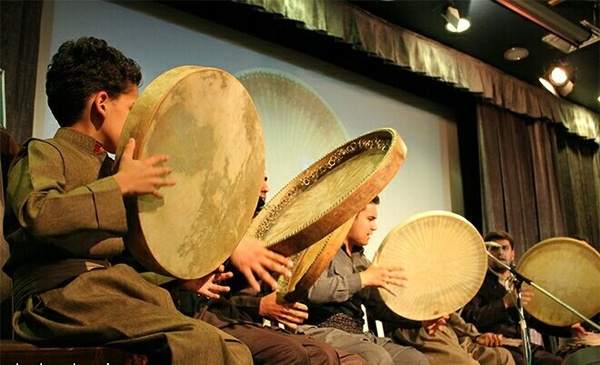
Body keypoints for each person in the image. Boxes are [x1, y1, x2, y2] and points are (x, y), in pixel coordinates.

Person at [1, 36, 286, 363]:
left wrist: (182, 277)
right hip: (57, 301)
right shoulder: (44, 152)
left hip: (109, 292)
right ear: (102, 103)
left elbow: (122, 261)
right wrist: (119, 186)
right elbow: (36, 214)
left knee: (233, 349)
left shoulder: (112, 167)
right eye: (133, 109)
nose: (138, 121)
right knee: (198, 342)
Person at [173, 175, 367, 364]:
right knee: (293, 353)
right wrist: (258, 304)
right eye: (258, 177)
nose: (266, 187)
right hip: (213, 314)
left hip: (242, 317)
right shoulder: (212, 227)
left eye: (266, 179)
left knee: (347, 359)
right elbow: (222, 294)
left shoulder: (262, 233)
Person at [296, 196, 429, 365]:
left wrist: (421, 320)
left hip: (357, 334)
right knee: (377, 357)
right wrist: (361, 279)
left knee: (414, 359)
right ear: (350, 216)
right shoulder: (319, 251)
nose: (374, 227)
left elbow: (379, 309)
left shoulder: (362, 262)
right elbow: (313, 291)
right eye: (370, 219)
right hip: (320, 330)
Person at [461, 230, 570, 365]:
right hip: (497, 348)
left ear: (513, 254)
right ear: (487, 254)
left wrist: (568, 328)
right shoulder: (477, 284)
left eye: (504, 248)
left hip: (525, 347)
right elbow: (471, 318)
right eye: (495, 248)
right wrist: (504, 303)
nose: (500, 253)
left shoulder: (520, 283)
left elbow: (536, 320)